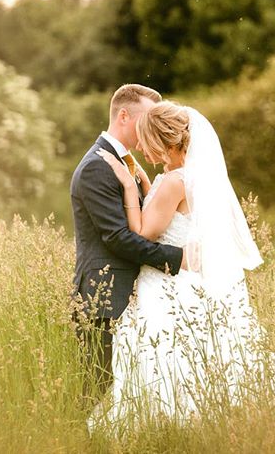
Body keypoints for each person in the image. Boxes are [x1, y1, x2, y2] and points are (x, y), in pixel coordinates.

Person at [88, 101, 275, 431]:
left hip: (166, 284)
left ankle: (168, 424)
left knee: (161, 355)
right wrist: (146, 183)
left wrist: (129, 186)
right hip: (185, 279)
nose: (141, 147)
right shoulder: (188, 177)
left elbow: (143, 231)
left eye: (146, 139)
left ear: (163, 140)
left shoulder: (174, 182)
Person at [70, 84, 184, 405]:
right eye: (148, 119)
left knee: (127, 392)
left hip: (131, 298)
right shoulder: (97, 166)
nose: (153, 128)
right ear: (124, 115)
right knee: (98, 393)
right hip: (104, 298)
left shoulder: (128, 164)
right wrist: (178, 259)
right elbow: (118, 238)